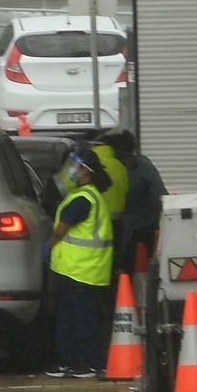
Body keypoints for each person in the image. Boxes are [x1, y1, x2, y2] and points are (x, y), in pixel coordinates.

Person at [46, 146, 116, 378]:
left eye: (75, 166)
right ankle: (73, 362)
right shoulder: (87, 195)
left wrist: (49, 245)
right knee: (72, 318)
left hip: (79, 269)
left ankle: (89, 363)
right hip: (80, 269)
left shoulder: (83, 199)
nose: (71, 171)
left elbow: (61, 229)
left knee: (81, 319)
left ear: (86, 171)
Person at [105, 129, 166, 278]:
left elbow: (160, 196)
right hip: (128, 228)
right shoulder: (128, 167)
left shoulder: (142, 168)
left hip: (142, 228)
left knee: (138, 266)